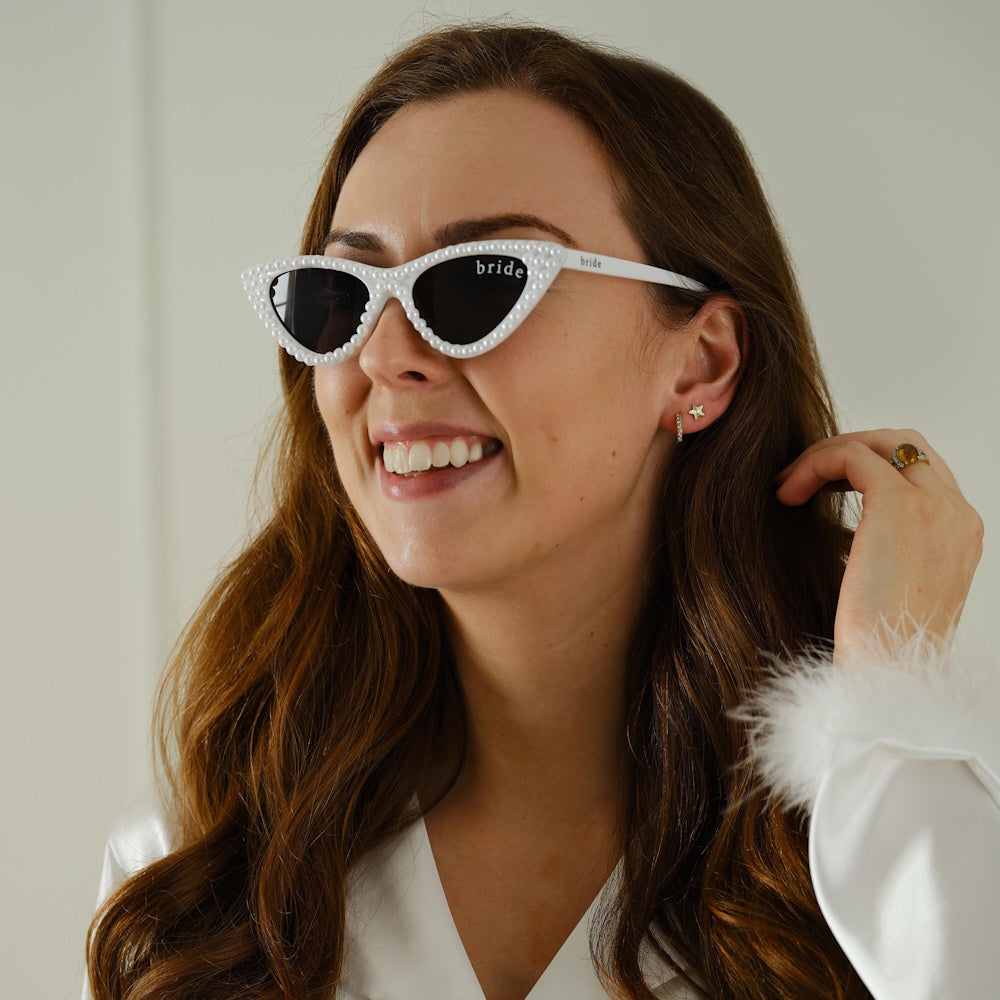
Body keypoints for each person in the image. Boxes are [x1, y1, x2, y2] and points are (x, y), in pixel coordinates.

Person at [83, 22, 997, 1000]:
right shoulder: (196, 869)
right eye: (339, 295)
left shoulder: (909, 822)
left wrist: (889, 719)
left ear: (701, 362)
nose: (386, 356)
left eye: (478, 285)